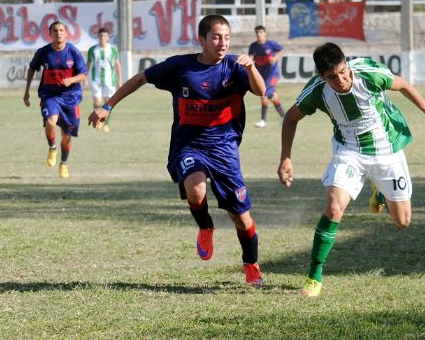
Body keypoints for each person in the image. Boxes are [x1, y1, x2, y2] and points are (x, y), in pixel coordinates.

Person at [87, 14, 267, 287]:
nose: (223, 43)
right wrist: (107, 106)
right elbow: (140, 79)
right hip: (188, 145)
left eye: (227, 38)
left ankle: (251, 264)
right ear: (202, 39)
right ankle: (206, 226)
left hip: (224, 149)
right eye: (217, 37)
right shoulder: (180, 66)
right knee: (195, 189)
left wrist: (252, 68)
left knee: (241, 218)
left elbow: (261, 90)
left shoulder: (235, 67)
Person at [277, 42, 425, 297]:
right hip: (349, 153)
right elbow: (290, 118)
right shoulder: (318, 91)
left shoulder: (368, 73)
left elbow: (403, 85)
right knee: (334, 209)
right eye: (332, 77)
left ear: (347, 63)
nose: (342, 80)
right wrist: (286, 158)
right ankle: (314, 276)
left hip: (387, 151)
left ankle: (379, 189)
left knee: (402, 222)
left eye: (343, 72)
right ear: (322, 77)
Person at [23, 21, 88, 179]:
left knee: (66, 137)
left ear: (66, 33)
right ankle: (52, 148)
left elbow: (83, 75)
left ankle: (63, 164)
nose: (58, 33)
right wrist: (26, 92)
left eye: (61, 30)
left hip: (70, 98)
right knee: (51, 121)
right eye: (55, 30)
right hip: (50, 95)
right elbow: (32, 68)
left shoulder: (73, 52)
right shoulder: (43, 52)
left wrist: (71, 80)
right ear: (50, 34)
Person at [247, 25, 285, 128]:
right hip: (261, 75)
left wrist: (276, 57)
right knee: (273, 96)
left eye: (261, 32)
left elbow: (281, 49)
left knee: (264, 94)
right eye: (257, 33)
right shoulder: (253, 46)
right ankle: (284, 117)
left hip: (272, 74)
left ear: (265, 34)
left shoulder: (271, 44)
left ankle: (263, 120)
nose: (259, 35)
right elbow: (250, 57)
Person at [85, 27, 122, 132]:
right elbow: (88, 64)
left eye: (105, 36)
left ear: (108, 37)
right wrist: (84, 78)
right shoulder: (92, 50)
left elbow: (117, 65)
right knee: (97, 103)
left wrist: (119, 80)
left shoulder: (113, 49)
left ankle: (106, 124)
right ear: (98, 37)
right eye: (101, 35)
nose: (102, 38)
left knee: (108, 103)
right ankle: (98, 120)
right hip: (96, 80)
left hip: (109, 80)